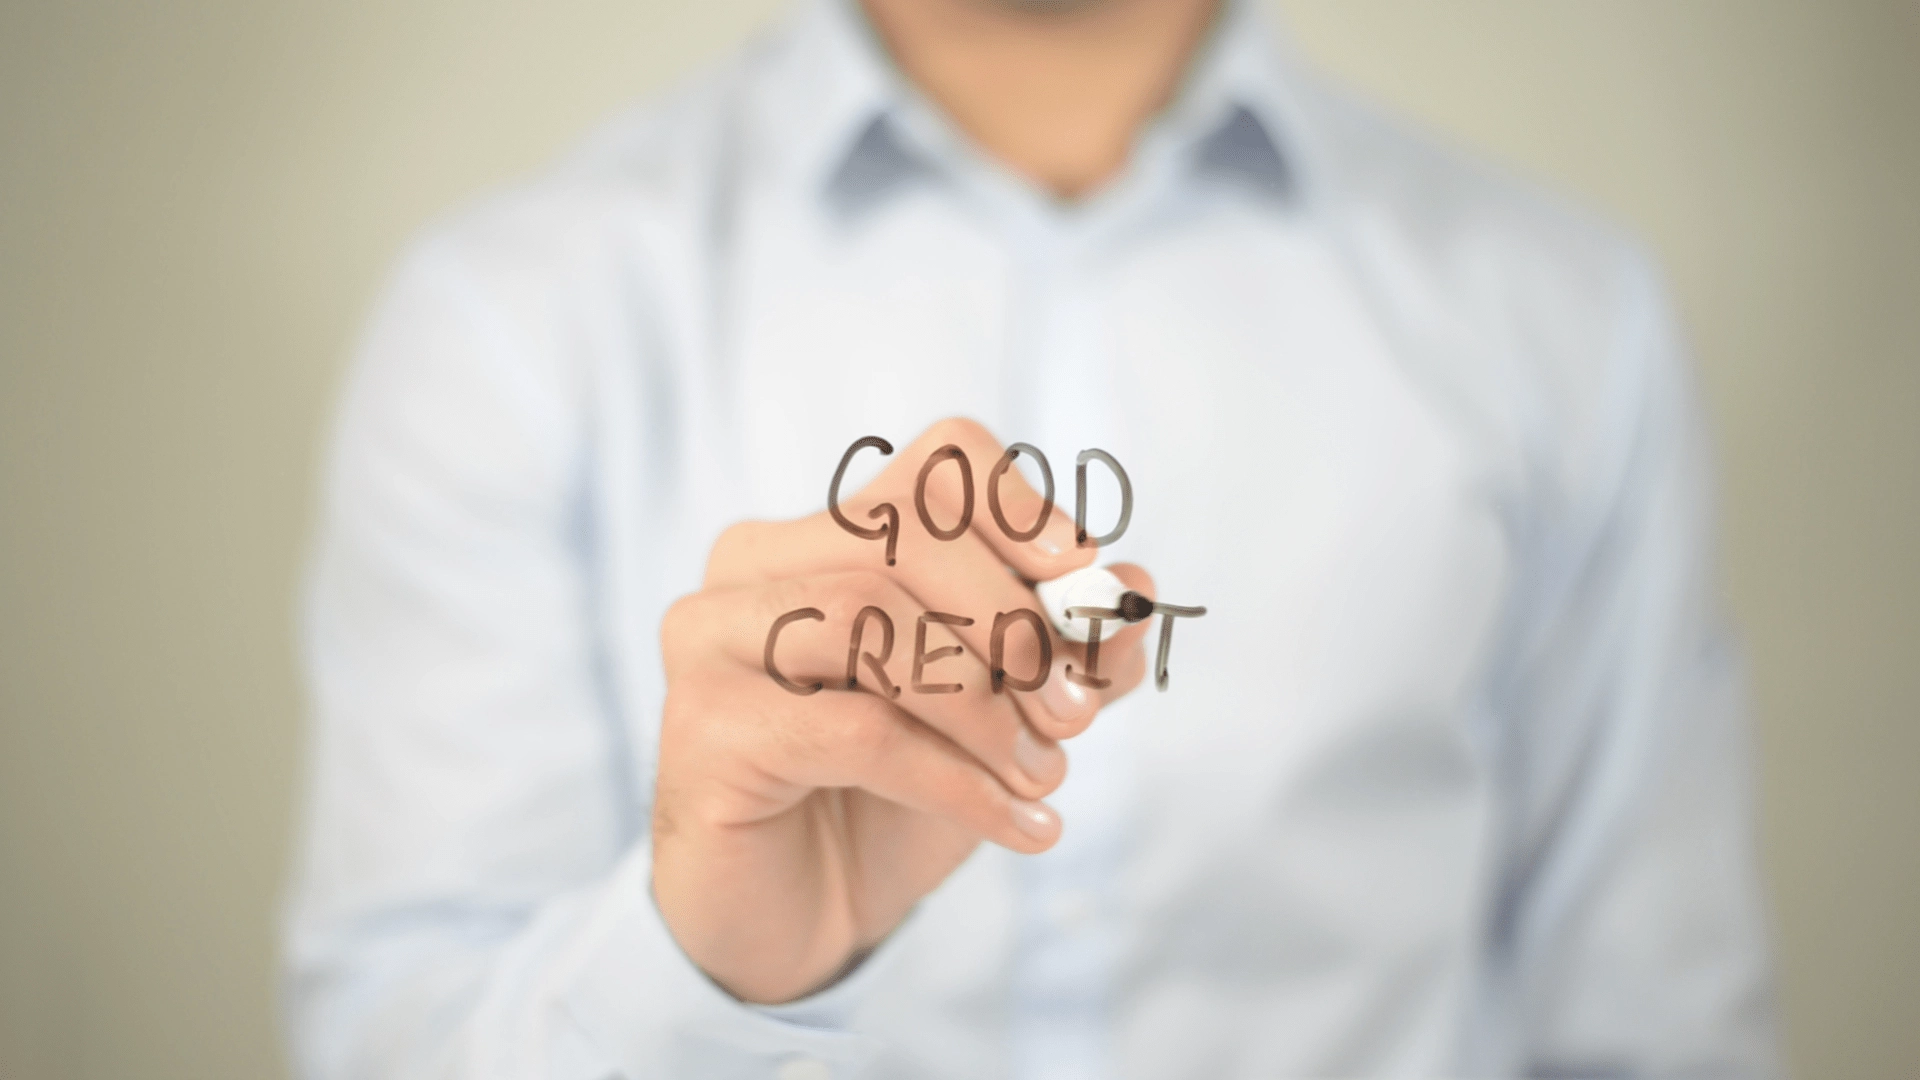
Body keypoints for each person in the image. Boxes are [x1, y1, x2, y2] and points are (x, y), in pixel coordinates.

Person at [283, 0, 1782, 1076]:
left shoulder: (1567, 322)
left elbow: (1650, 1031)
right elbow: (388, 1038)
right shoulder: (510, 316)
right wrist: (707, 972)